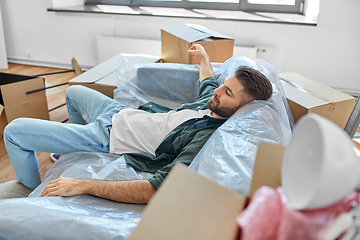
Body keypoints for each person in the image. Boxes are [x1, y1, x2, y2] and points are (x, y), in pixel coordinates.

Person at [3, 44, 273, 204]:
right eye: (224, 86)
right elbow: (208, 81)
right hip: (121, 112)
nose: (218, 92)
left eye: (228, 92)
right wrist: (203, 57)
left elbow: (154, 189)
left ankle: (26, 188)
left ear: (243, 107)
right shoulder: (211, 103)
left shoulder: (206, 139)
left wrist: (84, 184)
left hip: (108, 135)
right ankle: (67, 153)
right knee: (73, 92)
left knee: (14, 132)